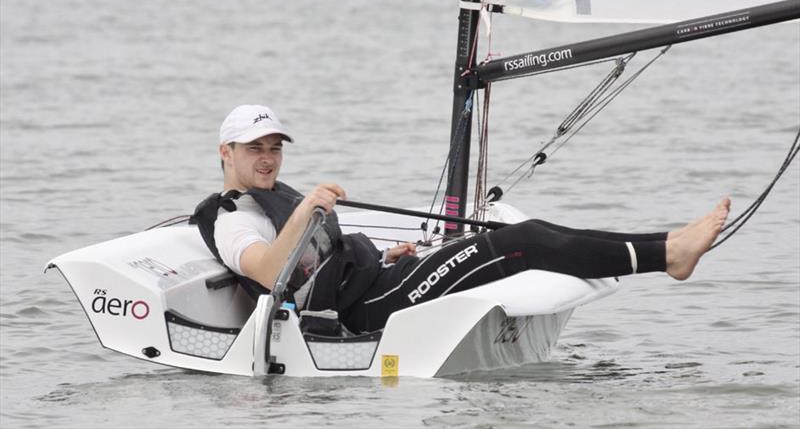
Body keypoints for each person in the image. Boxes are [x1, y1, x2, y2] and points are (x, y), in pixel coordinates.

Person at [191, 105, 731, 334]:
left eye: (274, 148)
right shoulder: (230, 219)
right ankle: (667, 256)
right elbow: (267, 272)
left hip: (375, 280)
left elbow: (318, 260)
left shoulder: (273, 194)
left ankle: (667, 244)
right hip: (362, 310)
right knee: (521, 243)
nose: (267, 157)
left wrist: (383, 253)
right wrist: (308, 208)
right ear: (226, 153)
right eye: (254, 148)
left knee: (524, 233)